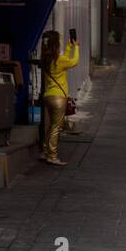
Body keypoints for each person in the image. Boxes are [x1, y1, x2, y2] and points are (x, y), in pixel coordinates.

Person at [39, 29, 78, 166]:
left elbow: (65, 60)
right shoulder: (59, 60)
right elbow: (74, 62)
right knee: (56, 127)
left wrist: (69, 47)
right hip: (59, 98)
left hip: (47, 96)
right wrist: (76, 47)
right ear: (56, 44)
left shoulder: (45, 59)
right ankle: (53, 156)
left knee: (49, 127)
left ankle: (45, 152)